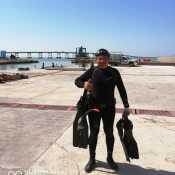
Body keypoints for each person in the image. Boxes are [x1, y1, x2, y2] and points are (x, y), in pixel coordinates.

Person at [75, 48, 130, 173]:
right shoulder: (92, 71)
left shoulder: (114, 72)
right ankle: (92, 159)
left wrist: (126, 106)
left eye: (104, 58)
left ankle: (110, 158)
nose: (102, 61)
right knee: (93, 133)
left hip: (109, 109)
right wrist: (83, 85)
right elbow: (77, 81)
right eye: (99, 58)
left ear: (108, 59)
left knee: (109, 133)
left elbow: (121, 89)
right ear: (96, 59)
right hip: (94, 108)